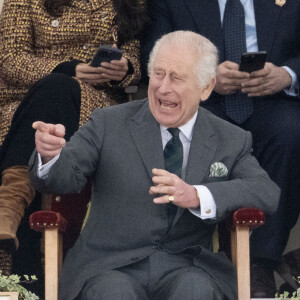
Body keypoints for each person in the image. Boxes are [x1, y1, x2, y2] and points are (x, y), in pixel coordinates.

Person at [29, 30, 280, 300]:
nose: (163, 87)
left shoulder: (230, 139)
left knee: (195, 292)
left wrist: (197, 195)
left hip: (189, 267)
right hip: (110, 266)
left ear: (206, 87)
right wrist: (50, 156)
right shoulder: (107, 123)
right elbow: (64, 177)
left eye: (177, 78)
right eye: (158, 74)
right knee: (113, 294)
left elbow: (266, 191)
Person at [141, 0, 300, 297]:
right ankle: (183, 261)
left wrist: (287, 75)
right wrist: (204, 75)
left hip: (273, 101)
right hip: (202, 101)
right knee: (181, 131)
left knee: (291, 132)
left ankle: (258, 266)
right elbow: (152, 55)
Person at [0, 0, 146, 280]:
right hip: (24, 100)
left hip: (93, 102)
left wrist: (125, 69)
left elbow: (136, 61)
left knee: (58, 93)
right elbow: (10, 59)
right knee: (55, 90)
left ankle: (9, 206)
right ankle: (22, 279)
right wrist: (70, 69)